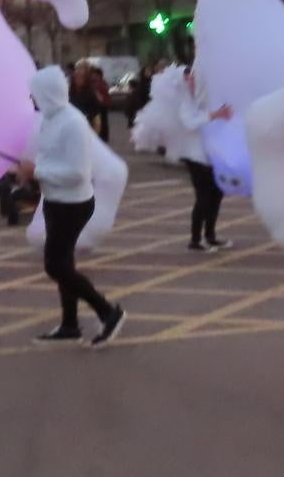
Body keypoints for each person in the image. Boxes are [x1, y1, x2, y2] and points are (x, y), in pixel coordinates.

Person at [19, 66, 124, 346]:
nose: (32, 98)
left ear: (49, 93)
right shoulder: (49, 120)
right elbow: (49, 157)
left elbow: (78, 172)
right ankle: (70, 324)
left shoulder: (72, 122)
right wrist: (30, 171)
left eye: (36, 93)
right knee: (64, 262)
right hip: (55, 200)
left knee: (55, 265)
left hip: (73, 203)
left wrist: (37, 171)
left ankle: (108, 311)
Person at [133, 49, 233, 252]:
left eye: (193, 76)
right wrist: (215, 114)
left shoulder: (197, 96)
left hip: (206, 153)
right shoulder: (183, 100)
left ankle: (210, 235)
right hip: (193, 155)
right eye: (189, 77)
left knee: (216, 193)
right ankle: (196, 240)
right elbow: (189, 122)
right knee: (204, 196)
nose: (193, 79)